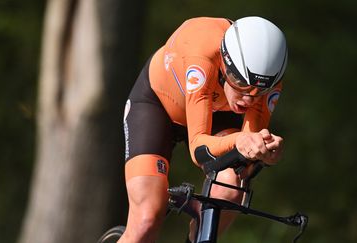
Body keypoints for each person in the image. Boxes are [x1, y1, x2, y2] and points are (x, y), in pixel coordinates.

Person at [119, 16, 287, 243]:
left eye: (259, 91)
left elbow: (249, 146)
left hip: (218, 114)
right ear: (225, 63)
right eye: (241, 84)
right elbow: (199, 150)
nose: (249, 98)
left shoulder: (267, 81)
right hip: (158, 107)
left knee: (231, 190)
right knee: (146, 220)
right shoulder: (203, 55)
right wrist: (241, 141)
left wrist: (265, 153)